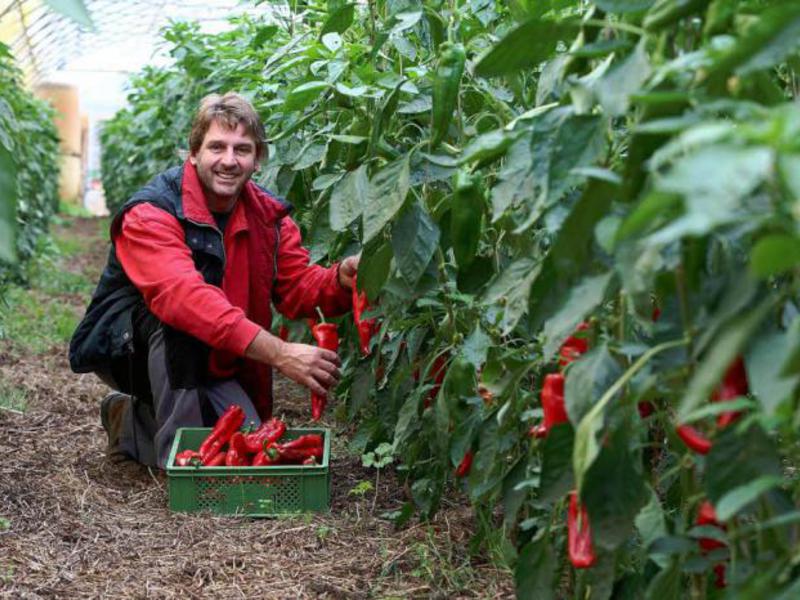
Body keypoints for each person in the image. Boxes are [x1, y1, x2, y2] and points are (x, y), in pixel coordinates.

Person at [69, 92, 358, 468]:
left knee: (244, 442)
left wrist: (341, 280)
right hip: (132, 350)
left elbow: (297, 288)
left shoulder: (268, 219)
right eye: (216, 147)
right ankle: (183, 466)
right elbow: (183, 299)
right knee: (183, 328)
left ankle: (132, 422)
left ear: (258, 160)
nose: (229, 160)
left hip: (218, 351)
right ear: (194, 153)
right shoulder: (151, 212)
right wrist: (282, 353)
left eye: (242, 149)